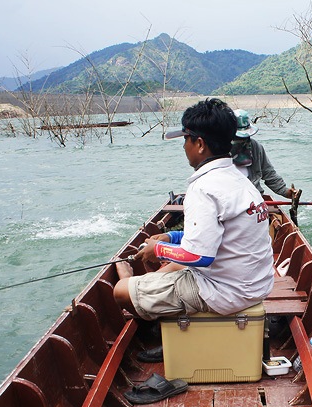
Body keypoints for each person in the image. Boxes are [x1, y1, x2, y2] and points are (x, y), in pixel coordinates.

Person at [113, 98, 275, 322]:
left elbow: (200, 256)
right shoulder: (240, 179)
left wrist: (158, 250)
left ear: (199, 144)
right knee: (174, 265)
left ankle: (143, 303)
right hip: (257, 284)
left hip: (226, 292)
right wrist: (172, 236)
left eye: (186, 139)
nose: (183, 146)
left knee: (120, 291)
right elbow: (217, 233)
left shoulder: (204, 188)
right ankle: (148, 289)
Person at [231, 109, 297, 199]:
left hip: (254, 198)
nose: (243, 141)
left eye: (246, 137)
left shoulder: (255, 147)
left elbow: (268, 173)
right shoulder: (218, 150)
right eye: (238, 138)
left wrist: (285, 191)